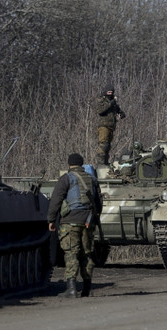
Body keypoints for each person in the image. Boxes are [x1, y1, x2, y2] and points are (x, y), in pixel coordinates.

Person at [48, 153, 102, 298]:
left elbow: (56, 199)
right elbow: (98, 203)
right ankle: (87, 289)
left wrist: (51, 220)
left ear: (69, 164)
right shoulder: (92, 179)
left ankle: (71, 289)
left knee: (71, 253)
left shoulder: (66, 178)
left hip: (70, 221)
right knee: (87, 254)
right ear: (82, 164)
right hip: (88, 221)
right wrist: (94, 220)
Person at [93, 84, 125, 165]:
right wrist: (111, 103)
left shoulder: (113, 102)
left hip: (111, 126)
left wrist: (121, 114)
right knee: (104, 145)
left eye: (111, 92)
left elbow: (119, 110)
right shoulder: (101, 100)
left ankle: (105, 163)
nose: (110, 93)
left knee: (108, 146)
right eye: (108, 91)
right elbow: (100, 110)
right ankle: (100, 163)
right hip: (103, 126)